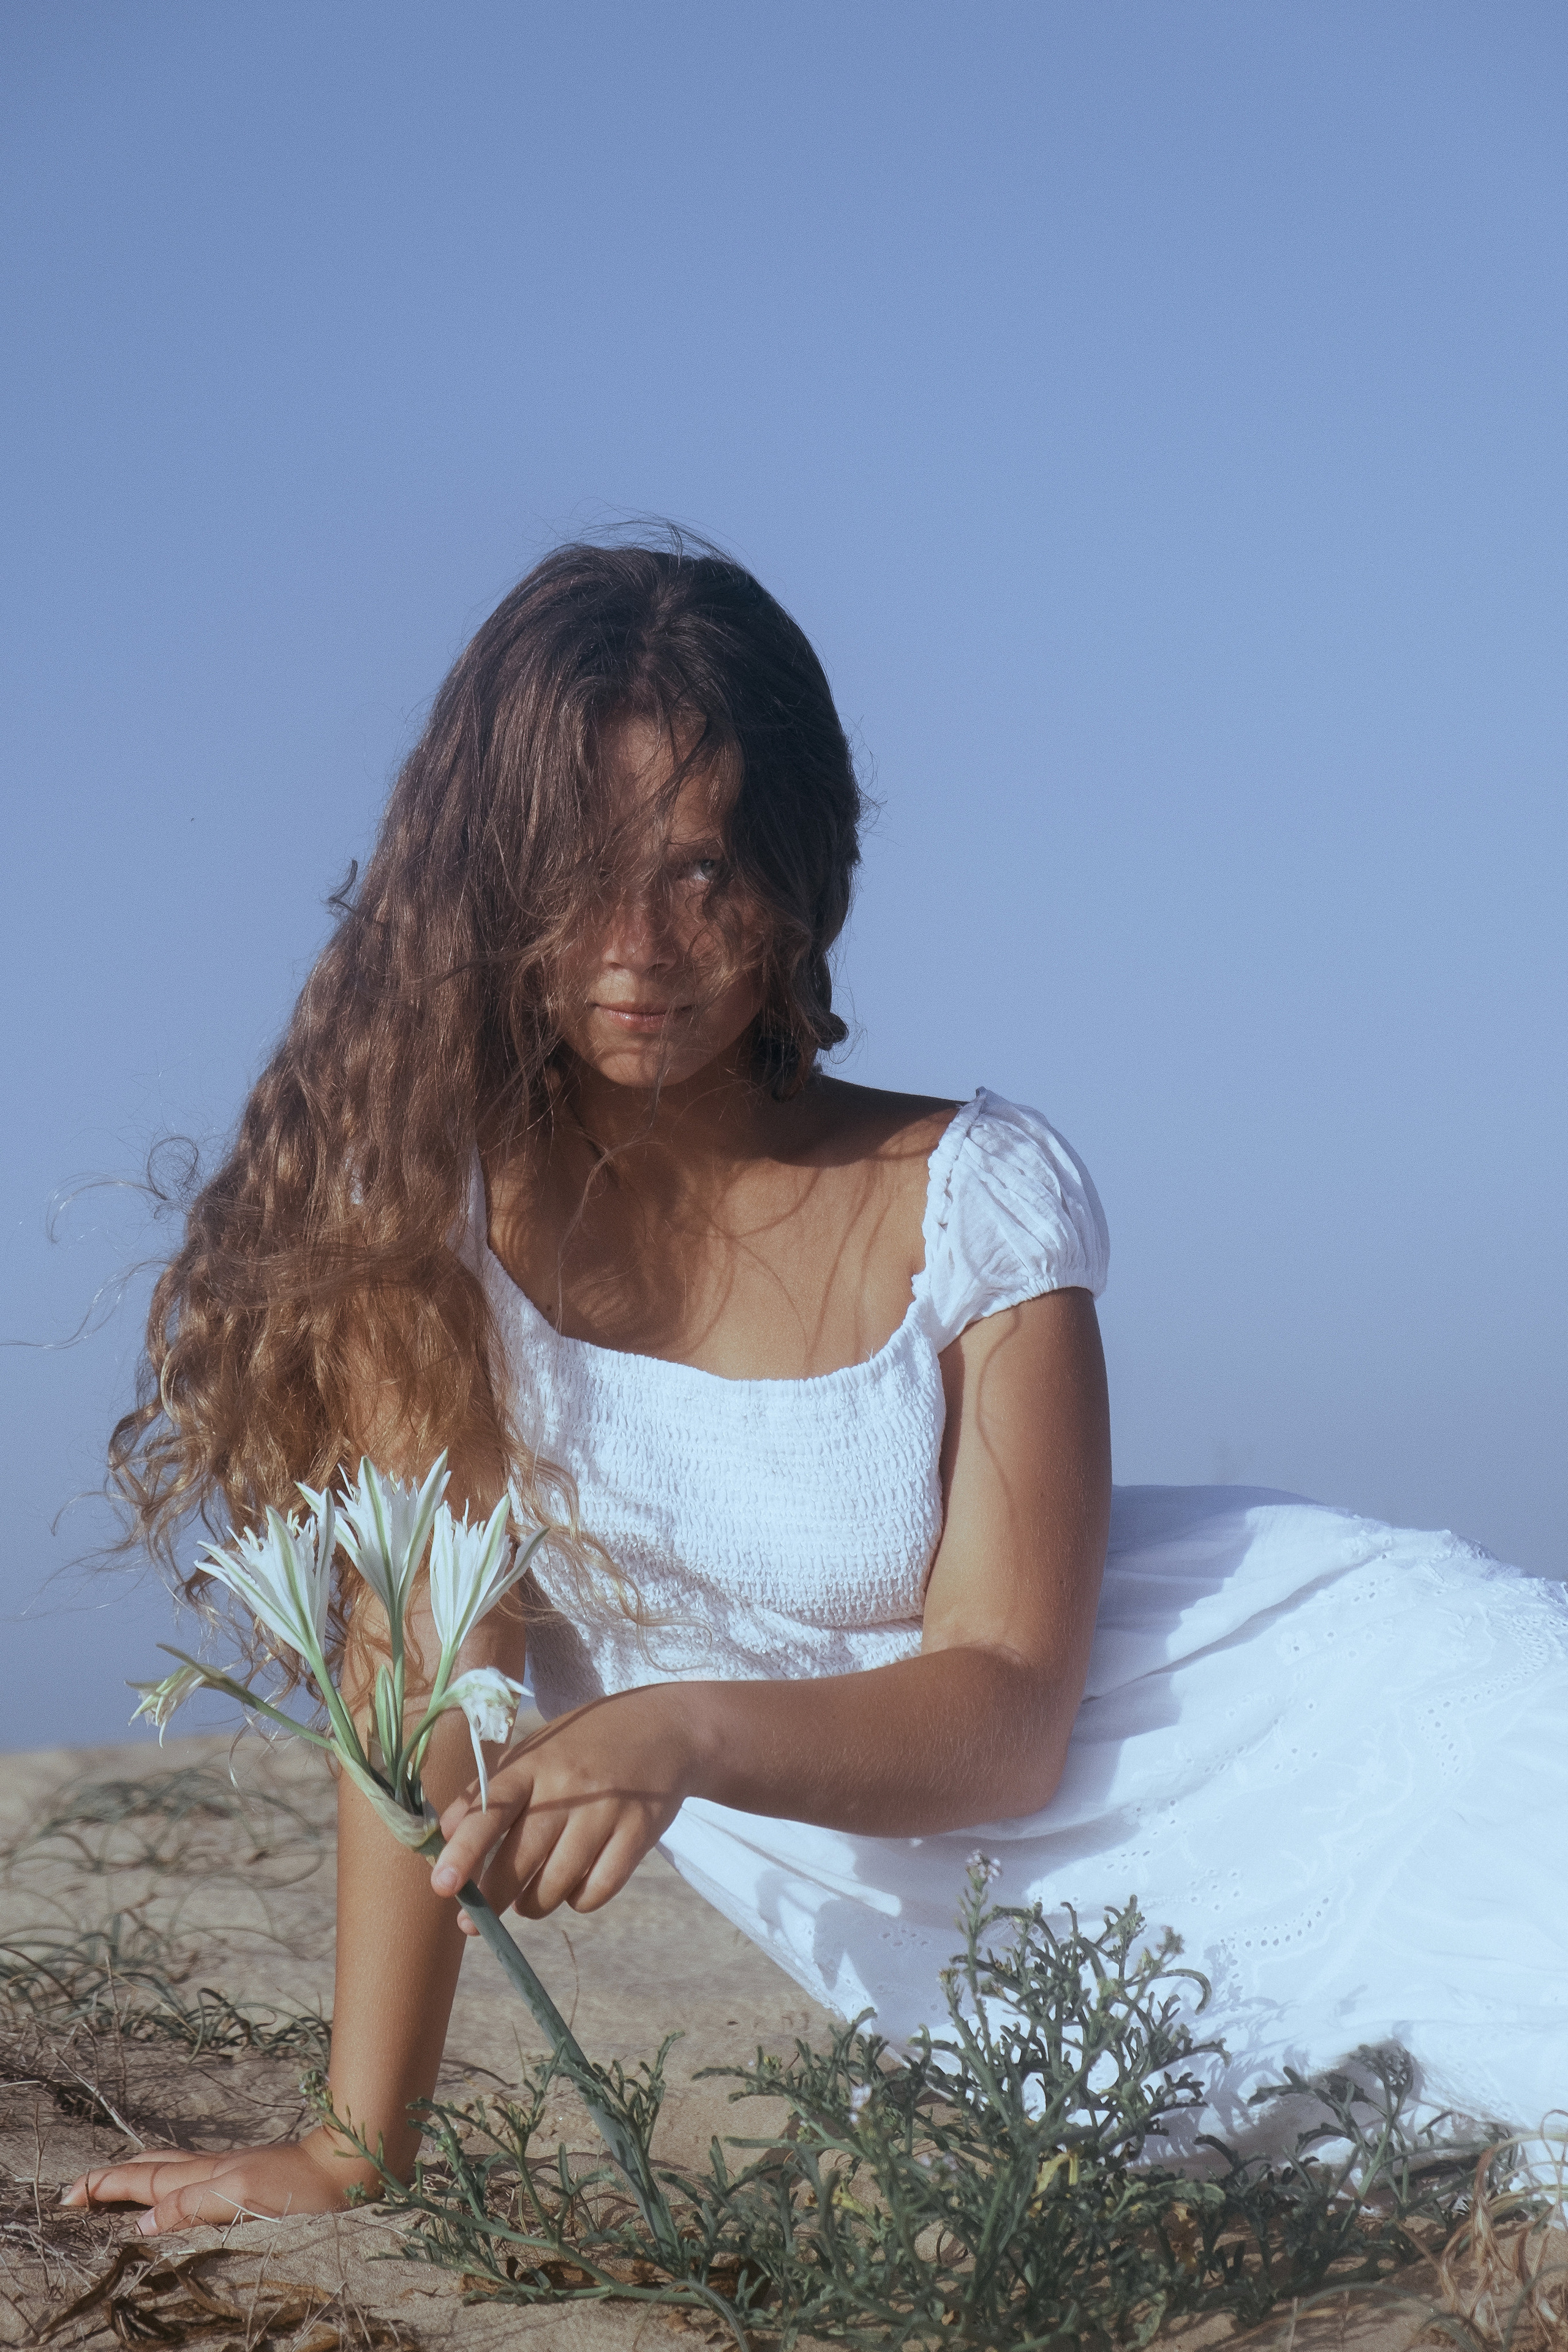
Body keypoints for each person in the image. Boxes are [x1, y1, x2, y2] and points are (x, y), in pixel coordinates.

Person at [67, 541, 1568, 2236]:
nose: (640, 944)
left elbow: (1006, 1710)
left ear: (799, 878)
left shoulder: (979, 1192)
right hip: (1012, 1956)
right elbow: (421, 1670)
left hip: (1325, 1733)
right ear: (485, 881)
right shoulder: (426, 1227)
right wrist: (355, 2146)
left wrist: (684, 1726)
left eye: (703, 869)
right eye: (578, 871)